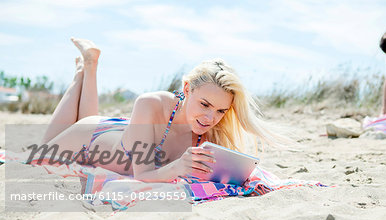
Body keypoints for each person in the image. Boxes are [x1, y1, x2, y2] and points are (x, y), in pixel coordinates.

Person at [39, 38, 285, 182]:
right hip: (91, 135)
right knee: (40, 155)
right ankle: (84, 70)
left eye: (221, 110)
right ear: (187, 88)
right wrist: (178, 167)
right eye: (205, 104)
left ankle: (89, 64)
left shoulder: (211, 130)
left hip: (123, 133)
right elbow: (143, 175)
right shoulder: (151, 103)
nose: (211, 117)